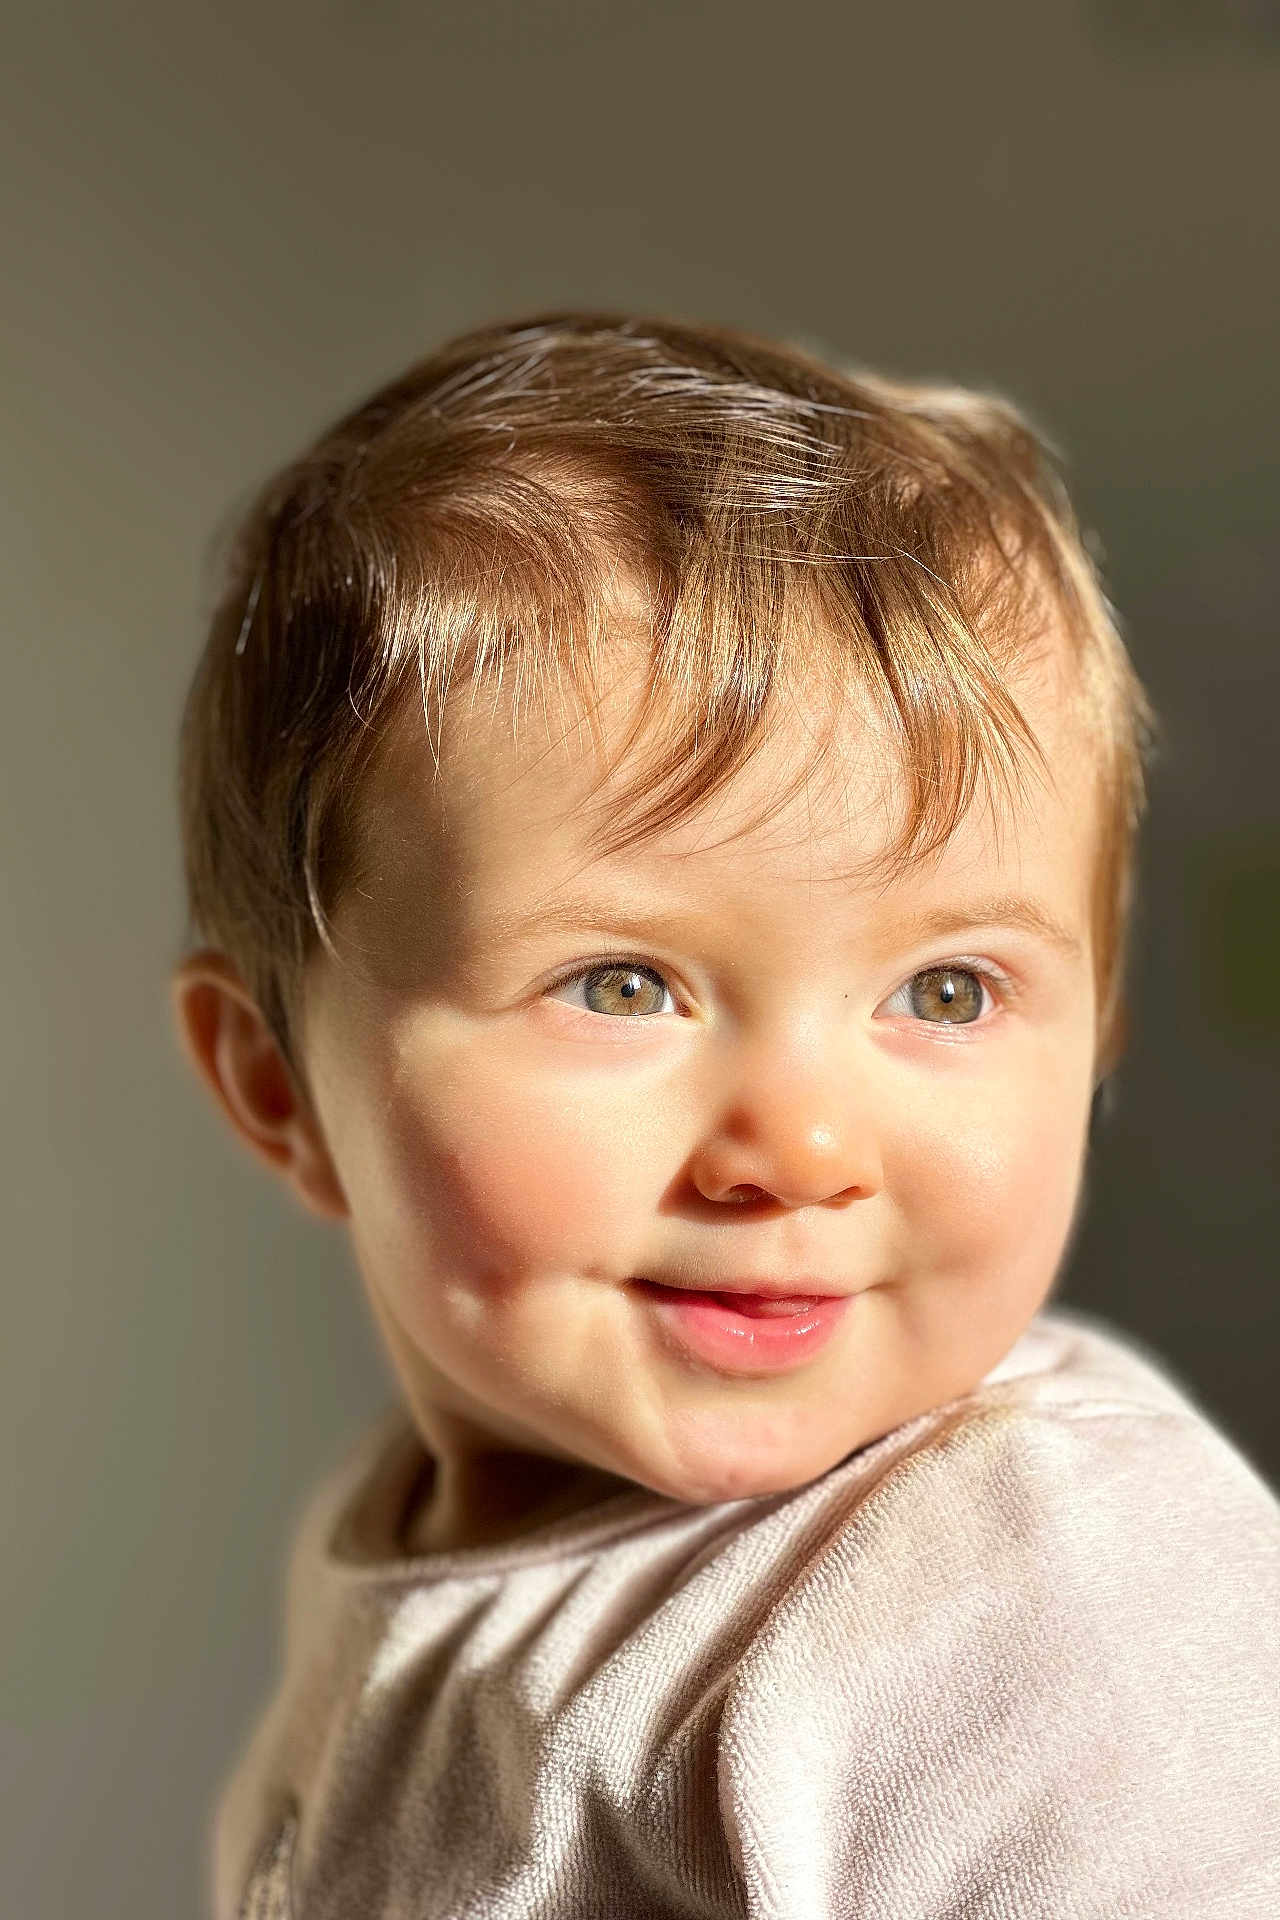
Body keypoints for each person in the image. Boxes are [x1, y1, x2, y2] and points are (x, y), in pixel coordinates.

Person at [170, 312, 1280, 1919]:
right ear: (278, 1088)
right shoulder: (386, 1542)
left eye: (948, 992)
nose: (806, 1151)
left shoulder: (1042, 1594)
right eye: (624, 986)